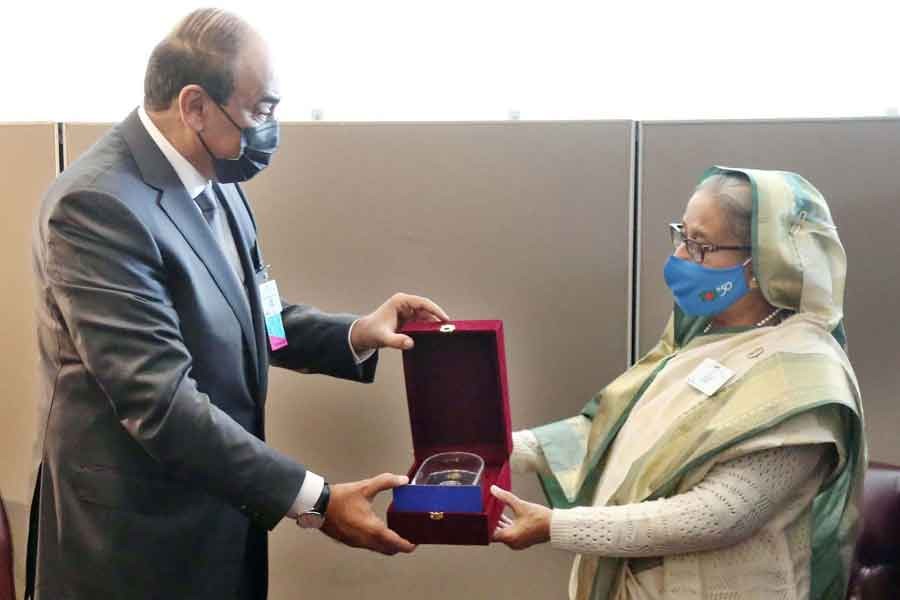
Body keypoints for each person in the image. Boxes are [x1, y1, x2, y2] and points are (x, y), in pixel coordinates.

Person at [26, 9, 448, 600]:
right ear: (196, 106)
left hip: (222, 513)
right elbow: (160, 402)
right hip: (134, 542)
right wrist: (318, 501)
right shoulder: (97, 207)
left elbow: (257, 315)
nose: (270, 130)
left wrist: (355, 333)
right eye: (261, 110)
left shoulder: (216, 182)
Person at [491, 167, 865, 600]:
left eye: (701, 245)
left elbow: (721, 513)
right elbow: (616, 431)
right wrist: (501, 446)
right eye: (681, 236)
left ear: (765, 260)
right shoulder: (699, 336)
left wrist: (556, 526)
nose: (681, 257)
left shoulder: (805, 374)